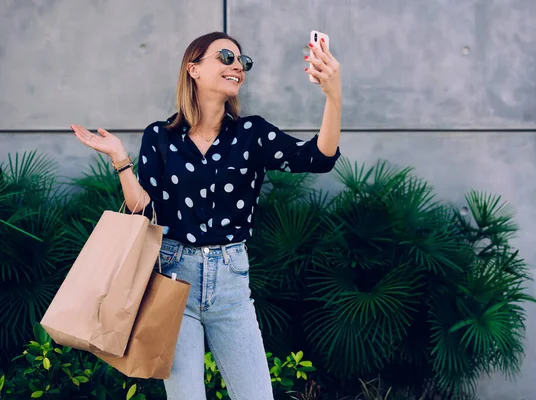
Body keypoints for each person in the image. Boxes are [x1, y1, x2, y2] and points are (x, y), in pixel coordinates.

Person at [71, 31, 341, 399]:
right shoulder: (160, 136)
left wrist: (332, 94)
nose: (237, 67)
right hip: (173, 278)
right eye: (226, 57)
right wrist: (121, 160)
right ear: (193, 68)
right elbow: (144, 209)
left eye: (242, 62)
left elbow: (318, 158)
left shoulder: (252, 134)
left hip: (231, 282)